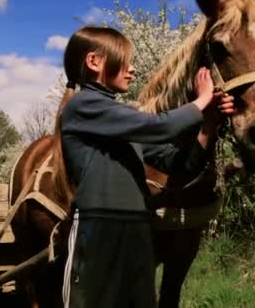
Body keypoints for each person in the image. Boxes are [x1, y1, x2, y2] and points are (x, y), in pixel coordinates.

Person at [54, 26, 234, 308]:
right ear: (94, 62)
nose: (132, 69)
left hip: (139, 229)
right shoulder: (83, 105)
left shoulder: (121, 122)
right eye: (125, 61)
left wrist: (209, 123)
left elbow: (179, 164)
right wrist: (201, 101)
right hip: (99, 229)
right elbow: (157, 126)